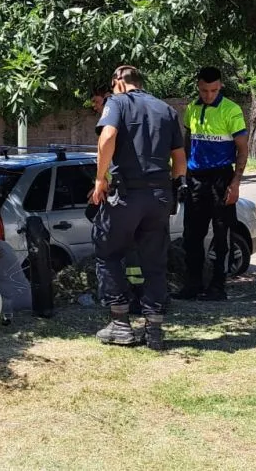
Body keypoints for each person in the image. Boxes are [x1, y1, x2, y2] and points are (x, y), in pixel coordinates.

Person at [91, 65, 187, 351]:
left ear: (119, 82)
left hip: (127, 193)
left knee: (108, 253)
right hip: (159, 196)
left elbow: (107, 137)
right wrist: (169, 188)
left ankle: (120, 324)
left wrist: (100, 179)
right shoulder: (167, 110)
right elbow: (180, 161)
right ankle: (154, 329)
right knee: (155, 261)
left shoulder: (117, 102)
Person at [176, 67, 248, 302]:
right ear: (198, 86)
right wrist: (182, 172)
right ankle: (193, 284)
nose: (209, 95)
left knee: (222, 234)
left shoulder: (231, 110)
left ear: (221, 86)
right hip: (196, 178)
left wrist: (235, 182)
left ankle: (218, 286)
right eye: (204, 90)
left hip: (221, 178)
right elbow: (188, 140)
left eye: (214, 90)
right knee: (191, 236)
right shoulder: (192, 109)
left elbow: (243, 148)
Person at [89, 89, 145, 315]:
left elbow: (112, 161)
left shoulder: (113, 124)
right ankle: (133, 298)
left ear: (106, 98)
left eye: (95, 100)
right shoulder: (112, 125)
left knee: (122, 255)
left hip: (121, 199)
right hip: (117, 195)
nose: (94, 106)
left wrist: (101, 181)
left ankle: (128, 301)